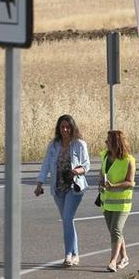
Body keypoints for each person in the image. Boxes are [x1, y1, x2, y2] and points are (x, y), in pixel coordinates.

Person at [35, 114, 90, 267]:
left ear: (72, 128)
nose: (65, 130)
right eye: (62, 127)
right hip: (58, 187)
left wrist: (75, 171)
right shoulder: (53, 145)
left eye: (68, 127)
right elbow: (46, 164)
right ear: (58, 129)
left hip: (74, 187)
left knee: (66, 219)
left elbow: (86, 165)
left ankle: (68, 254)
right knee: (68, 221)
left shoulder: (79, 144)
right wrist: (40, 183)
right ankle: (75, 253)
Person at [99, 130, 135, 272]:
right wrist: (101, 181)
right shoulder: (105, 156)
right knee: (115, 231)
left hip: (122, 202)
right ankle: (124, 257)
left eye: (108, 140)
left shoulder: (128, 160)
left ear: (116, 142)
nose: (106, 142)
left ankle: (113, 261)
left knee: (116, 229)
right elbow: (101, 174)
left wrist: (114, 186)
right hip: (107, 200)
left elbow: (130, 182)